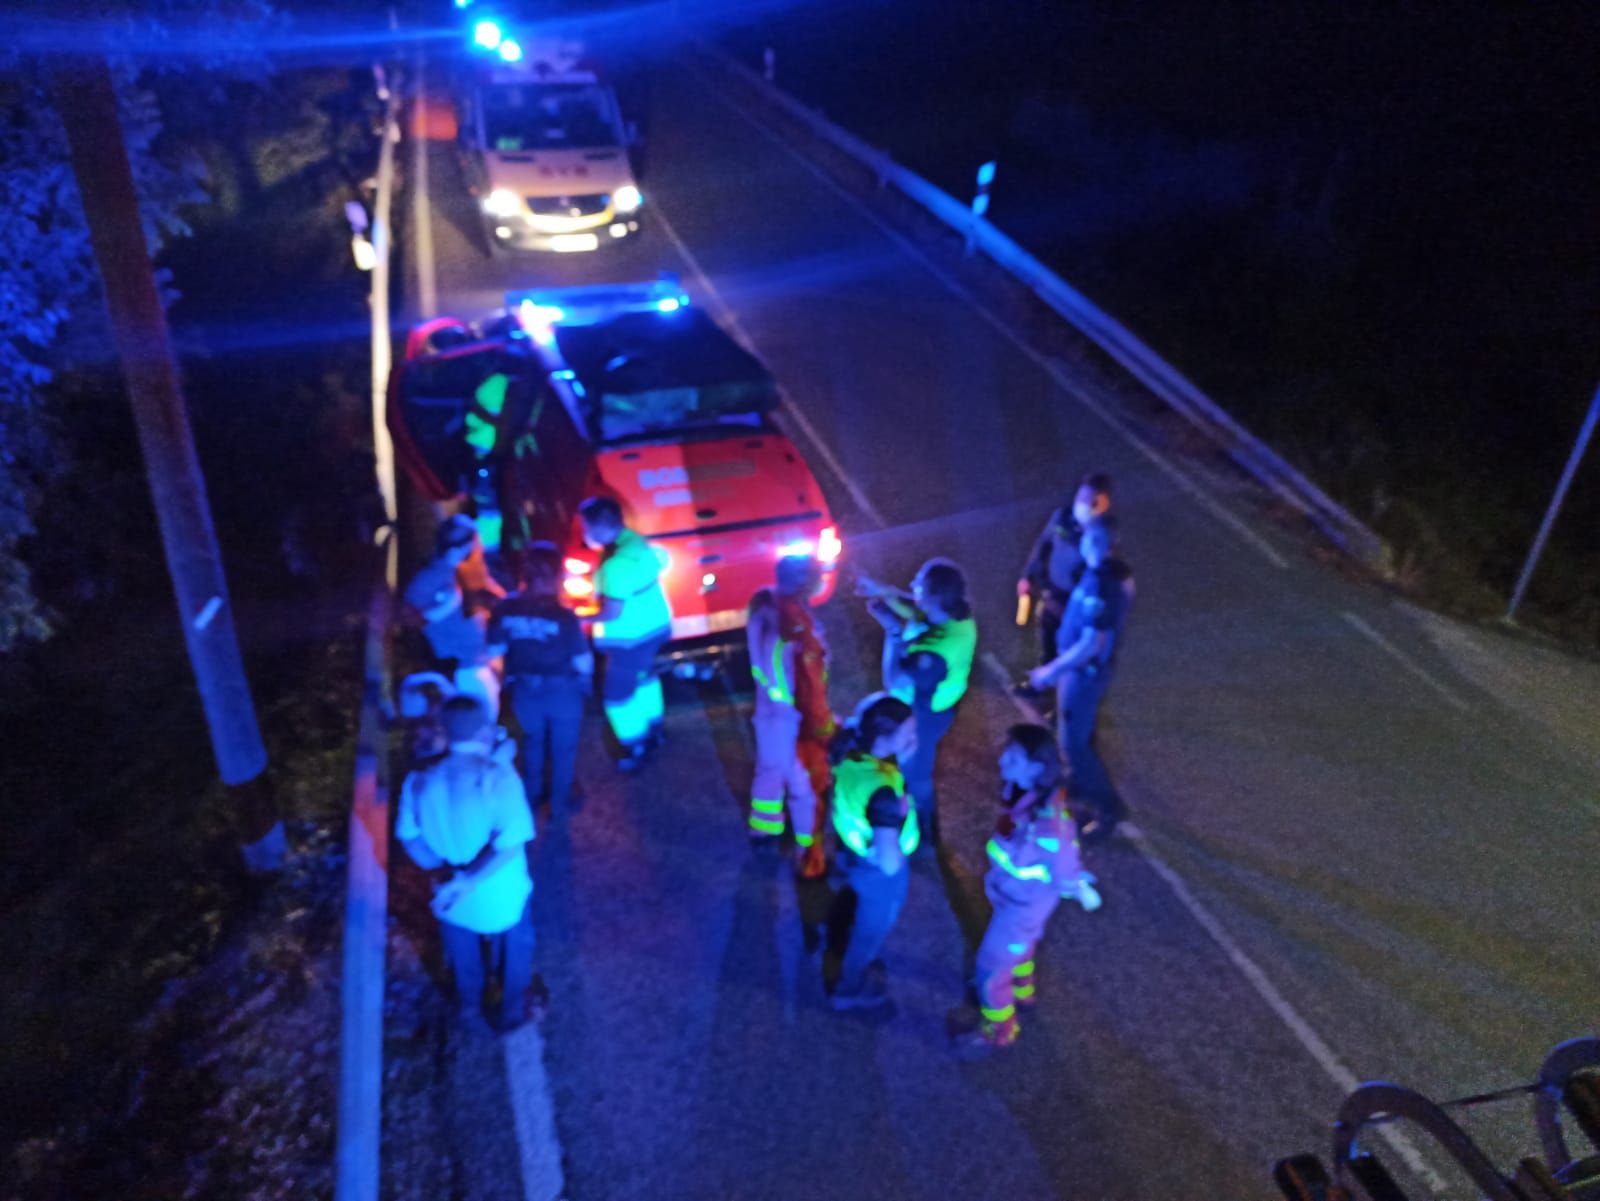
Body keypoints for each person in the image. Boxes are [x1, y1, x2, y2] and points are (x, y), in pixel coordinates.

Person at [955, 724, 1101, 1054]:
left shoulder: (1049, 825)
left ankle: (999, 1029)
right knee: (1021, 947)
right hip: (1013, 896)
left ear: (1036, 767)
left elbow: (1064, 867)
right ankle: (1022, 989)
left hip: (1022, 905)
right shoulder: (1022, 790)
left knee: (990, 966)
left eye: (1014, 756)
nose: (1003, 758)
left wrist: (1079, 887)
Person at [397, 695, 537, 1034]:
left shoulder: (418, 780)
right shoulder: (497, 778)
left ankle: (470, 1010)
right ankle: (511, 1012)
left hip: (450, 899)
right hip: (502, 896)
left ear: (445, 731)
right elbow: (510, 844)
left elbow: (409, 838)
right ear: (487, 731)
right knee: (515, 949)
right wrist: (469, 880)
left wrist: (444, 874)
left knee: (463, 956)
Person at [1028, 519, 1134, 841]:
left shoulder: (1101, 584)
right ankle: (1078, 781)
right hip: (1079, 674)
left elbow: (1091, 644)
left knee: (1074, 743)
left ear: (1098, 544)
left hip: (1082, 675)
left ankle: (1108, 808)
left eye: (1087, 540)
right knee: (1071, 731)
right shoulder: (1108, 572)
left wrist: (1051, 671)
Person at [858, 558, 976, 845]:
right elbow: (915, 606)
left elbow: (895, 680)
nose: (912, 585)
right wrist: (882, 590)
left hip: (924, 716)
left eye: (919, 583)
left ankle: (926, 839)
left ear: (935, 597)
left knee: (917, 776)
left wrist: (893, 631)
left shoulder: (935, 651)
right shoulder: (954, 615)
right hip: (939, 706)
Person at [826, 693, 919, 1011]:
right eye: (908, 733)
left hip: (854, 856)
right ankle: (849, 990)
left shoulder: (851, 754)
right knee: (869, 935)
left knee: (858, 916)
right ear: (885, 737)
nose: (913, 738)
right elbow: (891, 864)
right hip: (879, 875)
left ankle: (844, 950)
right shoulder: (883, 792)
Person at [487, 543, 592, 819]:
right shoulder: (564, 616)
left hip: (524, 690)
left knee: (532, 743)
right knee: (563, 749)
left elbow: (494, 652)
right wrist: (586, 682)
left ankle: (531, 800)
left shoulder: (505, 608)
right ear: (557, 576)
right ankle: (559, 805)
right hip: (562, 692)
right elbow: (583, 662)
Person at [1015, 473, 1128, 701]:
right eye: (1081, 497)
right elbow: (1043, 544)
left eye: (1090, 500)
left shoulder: (1101, 537)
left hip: (1075, 603)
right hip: (1053, 593)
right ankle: (1042, 689)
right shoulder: (1062, 518)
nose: (1082, 505)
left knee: (1070, 652)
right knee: (1048, 641)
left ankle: (1063, 700)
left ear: (1103, 503)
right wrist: (1028, 575)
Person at [580, 496, 672, 771]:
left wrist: (579, 617)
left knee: (617, 696)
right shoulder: (635, 541)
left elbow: (611, 613)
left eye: (585, 527)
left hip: (630, 639)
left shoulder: (615, 565)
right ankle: (656, 731)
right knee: (645, 680)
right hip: (654, 628)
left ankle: (636, 746)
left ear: (599, 528)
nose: (584, 533)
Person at [404, 514, 500, 718]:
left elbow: (493, 596)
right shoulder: (430, 577)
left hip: (479, 661)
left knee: (486, 721)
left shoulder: (467, 571)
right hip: (460, 668)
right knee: (475, 726)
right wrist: (436, 611)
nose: (478, 547)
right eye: (475, 541)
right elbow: (406, 616)